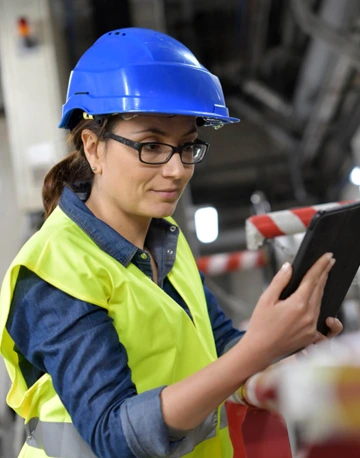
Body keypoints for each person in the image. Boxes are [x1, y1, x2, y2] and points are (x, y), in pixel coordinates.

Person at [0, 27, 342, 458]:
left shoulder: (164, 242)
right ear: (93, 148)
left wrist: (283, 346)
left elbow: (218, 348)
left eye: (186, 147)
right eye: (150, 146)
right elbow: (113, 434)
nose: (177, 170)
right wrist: (257, 349)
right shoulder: (54, 271)